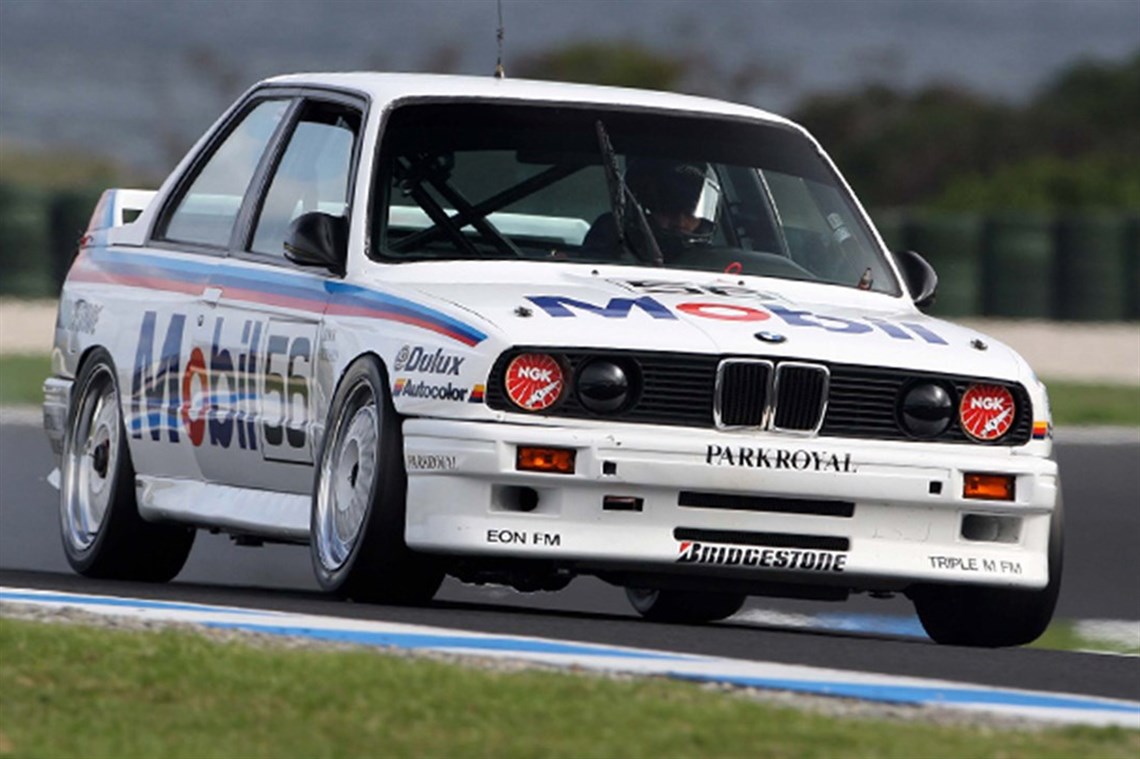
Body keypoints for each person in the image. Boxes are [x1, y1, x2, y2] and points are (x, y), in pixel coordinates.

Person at [581, 158, 720, 258]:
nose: (681, 222)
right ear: (642, 208)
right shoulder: (609, 239)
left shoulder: (723, 268)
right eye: (669, 210)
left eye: (691, 212)